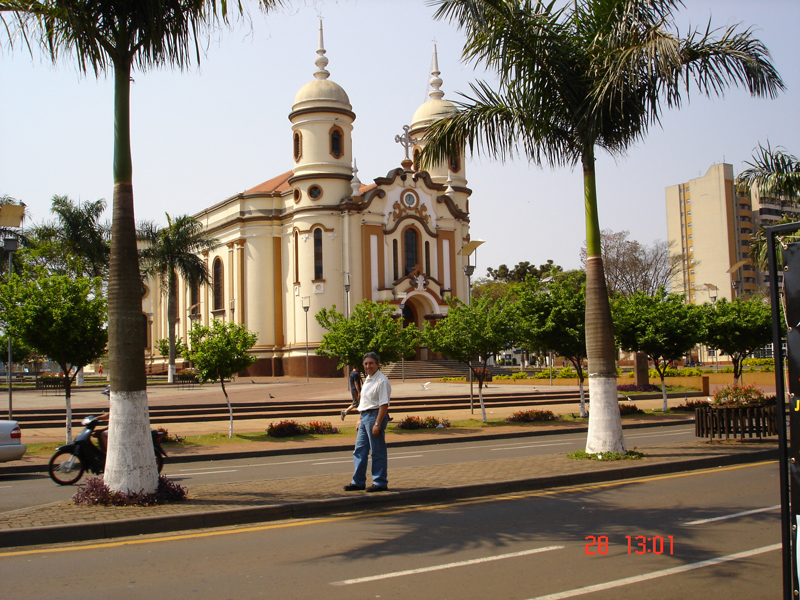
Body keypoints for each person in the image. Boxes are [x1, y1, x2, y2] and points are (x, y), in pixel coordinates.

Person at [344, 352, 390, 493]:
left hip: (375, 416)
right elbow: (364, 402)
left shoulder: (381, 381)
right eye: (366, 363)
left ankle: (380, 482)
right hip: (365, 416)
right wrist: (359, 419)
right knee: (359, 450)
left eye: (371, 363)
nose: (368, 366)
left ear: (377, 364)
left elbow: (384, 404)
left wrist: (377, 424)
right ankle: (358, 482)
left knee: (377, 451)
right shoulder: (369, 379)